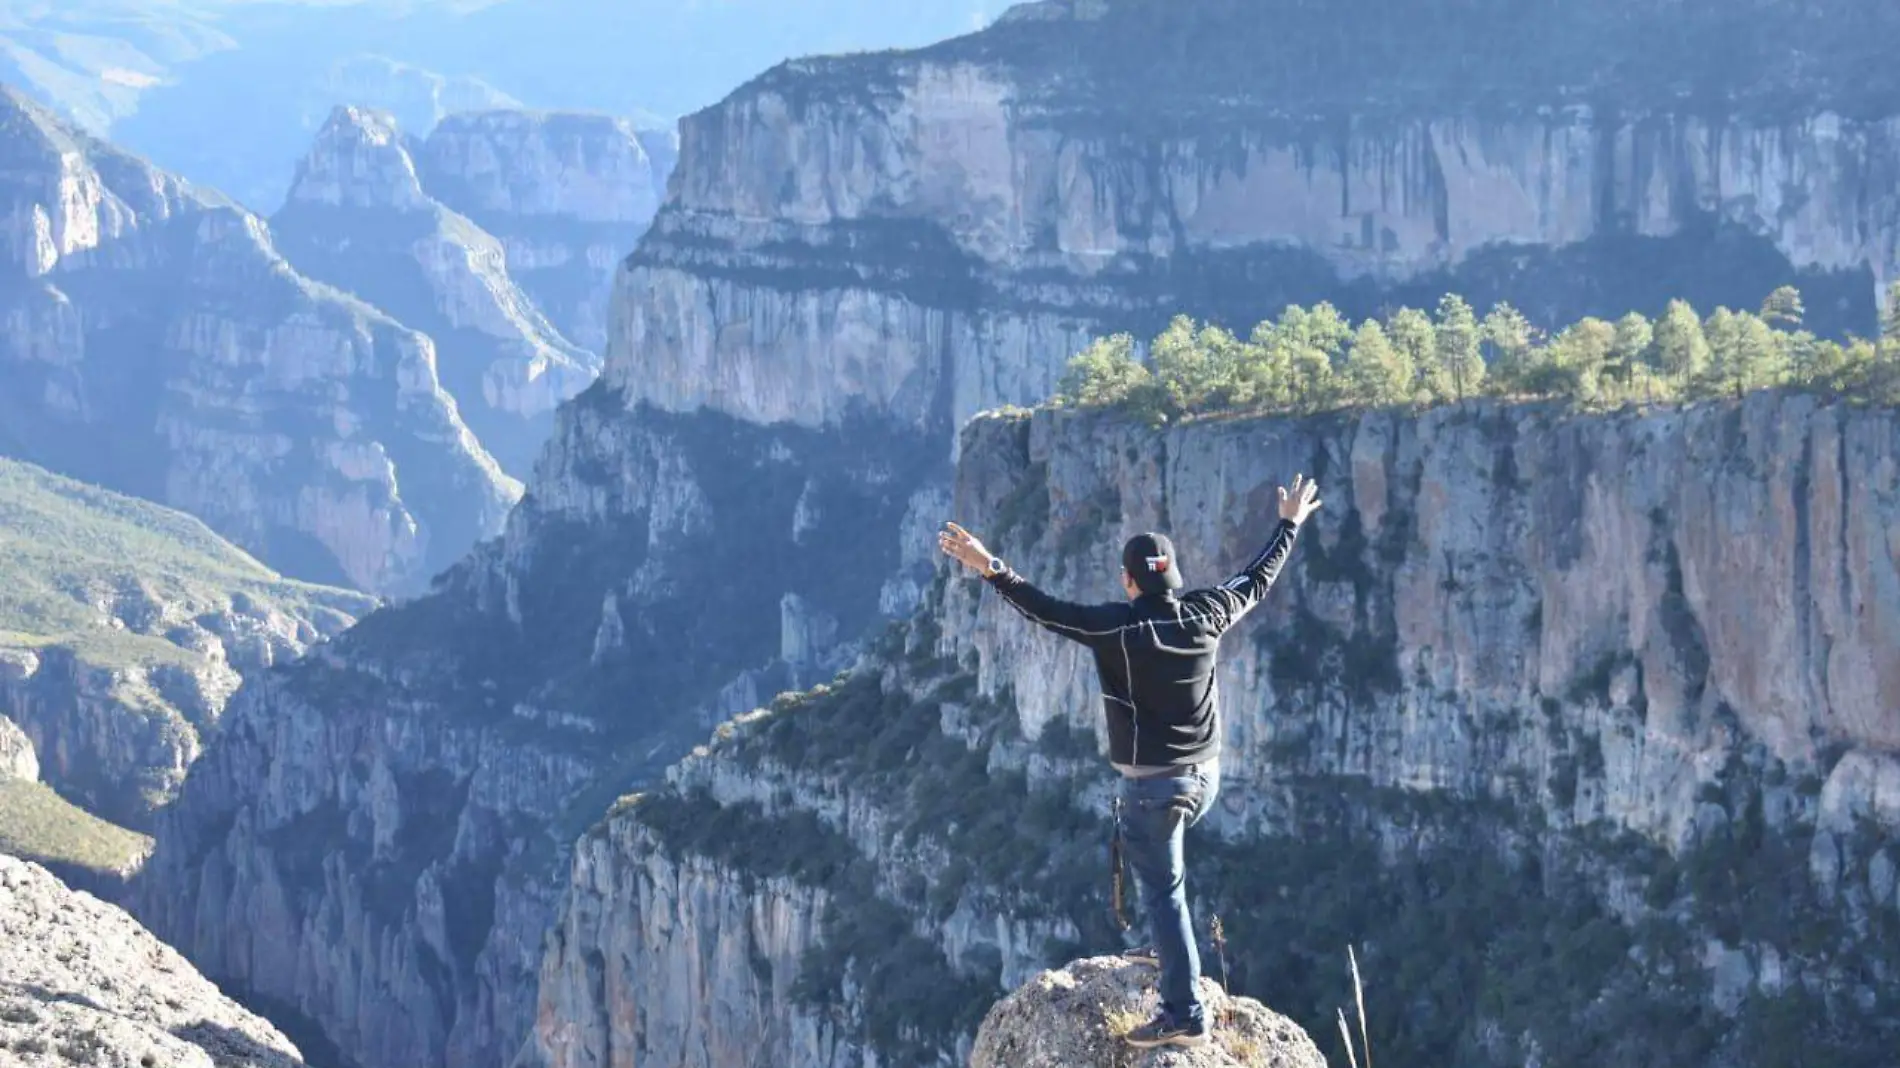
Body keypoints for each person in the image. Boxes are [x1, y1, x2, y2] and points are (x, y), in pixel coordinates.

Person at [937, 473, 1322, 1049]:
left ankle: (1184, 1012)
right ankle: (1167, 953)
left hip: (1154, 788)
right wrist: (1289, 523)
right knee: (1162, 882)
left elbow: (1048, 610)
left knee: (1166, 893)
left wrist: (992, 567)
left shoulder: (1117, 628)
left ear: (1128, 579)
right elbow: (1257, 578)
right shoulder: (1208, 611)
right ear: (1174, 575)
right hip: (1205, 778)